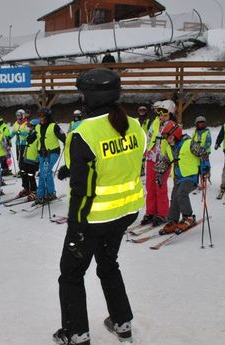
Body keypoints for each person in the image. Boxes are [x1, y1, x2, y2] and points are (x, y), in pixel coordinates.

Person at [53, 68, 145, 345]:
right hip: (125, 212)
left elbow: (82, 189)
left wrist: (76, 230)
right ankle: (122, 322)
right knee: (108, 265)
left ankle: (76, 333)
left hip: (93, 218)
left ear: (88, 98)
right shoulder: (135, 125)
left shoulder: (84, 133)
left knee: (70, 275)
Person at [157, 121, 208, 234]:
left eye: (169, 137)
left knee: (181, 193)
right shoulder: (169, 148)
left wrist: (206, 168)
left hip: (191, 177)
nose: (167, 140)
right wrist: (159, 174)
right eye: (166, 138)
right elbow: (165, 162)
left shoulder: (189, 143)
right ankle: (173, 220)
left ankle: (188, 217)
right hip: (179, 179)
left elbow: (203, 153)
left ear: (176, 134)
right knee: (174, 196)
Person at [140, 99, 177, 226]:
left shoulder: (173, 126)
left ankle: (162, 213)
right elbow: (149, 137)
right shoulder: (155, 123)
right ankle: (150, 212)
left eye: (164, 112)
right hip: (151, 157)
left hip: (164, 160)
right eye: (159, 112)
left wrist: (168, 159)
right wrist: (145, 151)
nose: (161, 115)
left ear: (171, 113)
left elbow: (174, 145)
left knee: (160, 186)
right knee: (149, 186)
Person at [26, 107, 66, 204]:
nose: (40, 118)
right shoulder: (38, 127)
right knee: (46, 173)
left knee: (44, 172)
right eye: (38, 116)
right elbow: (30, 139)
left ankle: (40, 196)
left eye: (42, 116)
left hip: (53, 153)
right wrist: (29, 136)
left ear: (47, 116)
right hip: (42, 154)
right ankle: (50, 192)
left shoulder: (54, 126)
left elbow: (64, 137)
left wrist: (66, 142)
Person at [16, 118, 40, 201]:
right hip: (26, 158)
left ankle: (34, 191)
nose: (29, 127)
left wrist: (38, 160)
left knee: (31, 175)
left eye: (31, 126)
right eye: (29, 126)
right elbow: (24, 135)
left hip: (33, 160)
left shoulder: (38, 136)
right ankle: (26, 188)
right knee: (23, 173)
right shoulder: (30, 134)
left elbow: (40, 148)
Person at [192, 116, 212, 188]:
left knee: (204, 167)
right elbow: (192, 141)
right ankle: (195, 182)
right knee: (196, 167)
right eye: (199, 124)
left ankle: (204, 181)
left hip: (204, 153)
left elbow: (208, 142)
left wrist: (204, 149)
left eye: (202, 124)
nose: (201, 125)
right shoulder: (195, 132)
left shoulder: (207, 132)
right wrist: (193, 148)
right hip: (196, 153)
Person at [136, 105, 150, 176]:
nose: (142, 112)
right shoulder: (136, 121)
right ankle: (138, 170)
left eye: (143, 110)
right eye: (140, 110)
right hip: (137, 140)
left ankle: (142, 170)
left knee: (143, 157)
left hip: (145, 141)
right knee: (137, 156)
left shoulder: (148, 121)